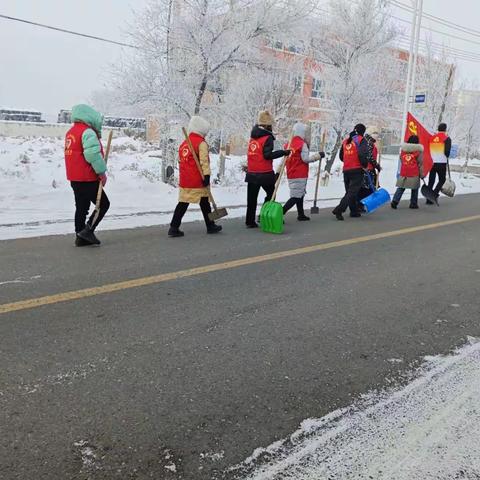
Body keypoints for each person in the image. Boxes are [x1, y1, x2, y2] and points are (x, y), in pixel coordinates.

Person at [168, 116, 222, 237]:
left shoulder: (184, 143)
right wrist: (207, 175)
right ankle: (210, 226)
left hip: (185, 180)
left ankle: (174, 227)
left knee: (184, 203)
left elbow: (181, 162)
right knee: (204, 201)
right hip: (198, 180)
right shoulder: (201, 143)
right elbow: (204, 161)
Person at [64, 104, 109, 246]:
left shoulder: (71, 132)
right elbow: (92, 155)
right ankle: (88, 230)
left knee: (81, 207)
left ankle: (80, 236)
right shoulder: (87, 132)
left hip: (74, 177)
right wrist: (101, 172)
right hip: (87, 177)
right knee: (103, 204)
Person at [245, 111, 291, 228]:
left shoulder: (253, 137)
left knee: (251, 199)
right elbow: (267, 155)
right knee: (271, 194)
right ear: (267, 125)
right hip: (264, 173)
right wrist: (283, 152)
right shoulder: (267, 137)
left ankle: (249, 221)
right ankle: (264, 215)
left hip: (252, 172)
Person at [283, 122, 324, 221]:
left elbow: (285, 158)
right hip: (300, 173)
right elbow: (305, 159)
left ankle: (301, 214)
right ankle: (280, 213)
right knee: (296, 196)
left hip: (291, 173)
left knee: (299, 194)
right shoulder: (302, 144)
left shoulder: (288, 144)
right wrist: (318, 156)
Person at [332, 123, 369, 221]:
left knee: (350, 192)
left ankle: (354, 211)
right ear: (362, 132)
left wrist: (349, 160)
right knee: (352, 192)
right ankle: (339, 209)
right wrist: (364, 165)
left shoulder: (345, 141)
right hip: (357, 170)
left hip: (346, 170)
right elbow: (362, 154)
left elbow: (341, 156)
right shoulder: (361, 140)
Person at [391, 135, 424, 209]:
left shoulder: (403, 150)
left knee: (401, 187)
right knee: (415, 188)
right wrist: (422, 175)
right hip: (414, 172)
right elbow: (420, 163)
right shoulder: (418, 151)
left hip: (404, 171)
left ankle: (395, 201)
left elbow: (401, 159)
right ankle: (413, 203)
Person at [427, 123, 452, 204]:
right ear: (445, 129)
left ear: (438, 129)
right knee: (442, 179)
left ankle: (428, 198)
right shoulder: (447, 138)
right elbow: (447, 152)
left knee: (431, 181)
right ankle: (434, 194)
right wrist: (447, 155)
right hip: (441, 163)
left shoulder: (432, 138)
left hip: (432, 163)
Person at [358, 129, 381, 206]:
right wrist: (377, 166)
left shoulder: (367, 142)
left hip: (367, 168)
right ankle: (363, 204)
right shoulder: (369, 143)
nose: (377, 136)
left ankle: (361, 205)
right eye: (375, 133)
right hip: (367, 169)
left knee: (365, 188)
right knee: (367, 188)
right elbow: (370, 157)